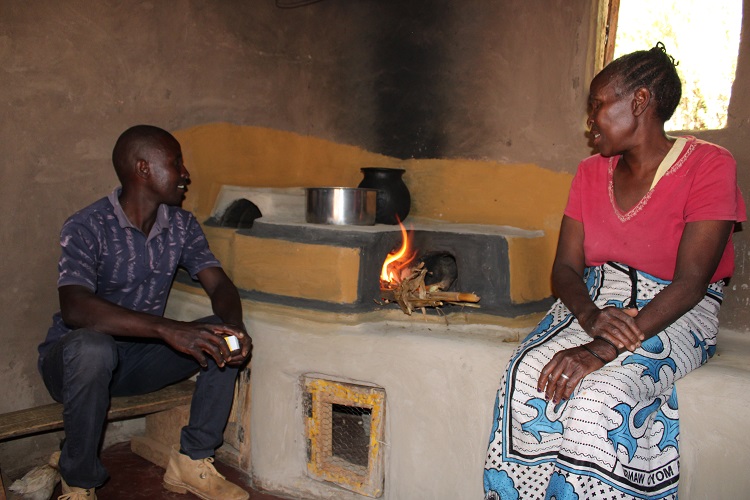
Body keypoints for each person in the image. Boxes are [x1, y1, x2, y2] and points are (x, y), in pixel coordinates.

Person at [483, 43, 746, 499]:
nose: (592, 121)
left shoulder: (709, 166)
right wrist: (590, 319)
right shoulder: (589, 173)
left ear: (639, 102)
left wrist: (600, 349)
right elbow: (565, 268)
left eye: (599, 106)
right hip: (595, 299)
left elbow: (691, 283)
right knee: (528, 373)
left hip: (676, 309)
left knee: (599, 396)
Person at [37, 125, 253, 500]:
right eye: (176, 163)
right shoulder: (88, 225)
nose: (186, 174)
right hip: (75, 364)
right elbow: (74, 308)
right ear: (143, 169)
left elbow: (219, 285)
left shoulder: (181, 226)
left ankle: (192, 460)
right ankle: (79, 481)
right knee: (93, 347)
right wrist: (167, 329)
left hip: (135, 362)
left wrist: (233, 328)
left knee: (221, 334)